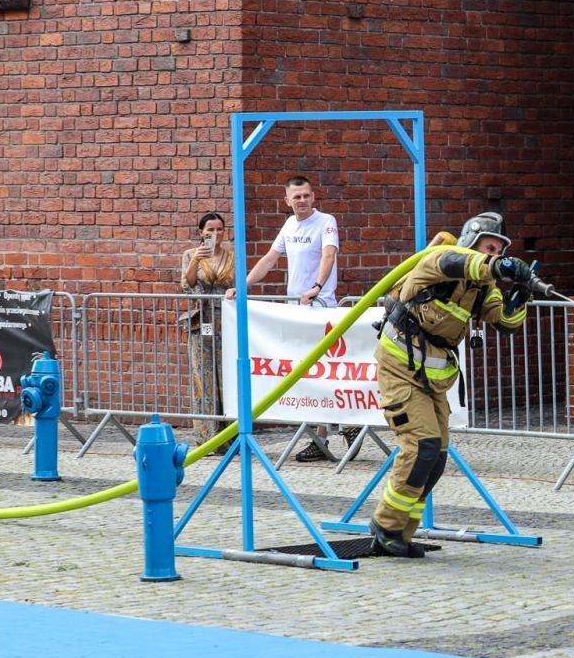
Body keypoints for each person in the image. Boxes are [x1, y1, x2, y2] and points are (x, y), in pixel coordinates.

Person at [366, 212, 542, 558]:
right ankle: (385, 525)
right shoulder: (439, 261)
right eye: (489, 248)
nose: (494, 255)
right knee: (421, 446)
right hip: (399, 367)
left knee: (436, 456)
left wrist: (521, 295)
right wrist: (501, 266)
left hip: (432, 378)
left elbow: (504, 323)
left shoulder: (482, 287)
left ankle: (402, 533)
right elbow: (459, 263)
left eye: (499, 251)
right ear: (471, 243)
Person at [227, 175, 342, 462]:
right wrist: (243, 286)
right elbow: (269, 258)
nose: (302, 200)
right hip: (296, 309)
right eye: (296, 197)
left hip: (320, 307)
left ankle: (324, 435)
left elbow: (328, 255)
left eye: (306, 195)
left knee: (321, 371)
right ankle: (339, 427)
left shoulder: (326, 221)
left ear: (313, 197)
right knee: (304, 372)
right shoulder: (289, 225)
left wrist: (317, 287)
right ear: (287, 201)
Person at [179, 212, 233, 449]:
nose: (215, 234)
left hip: (226, 320)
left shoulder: (231, 257)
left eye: (219, 229)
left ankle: (229, 434)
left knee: (226, 375)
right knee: (203, 374)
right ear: (201, 232)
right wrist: (195, 261)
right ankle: (207, 435)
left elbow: (238, 284)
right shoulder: (190, 254)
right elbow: (187, 285)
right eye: (210, 230)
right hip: (202, 320)